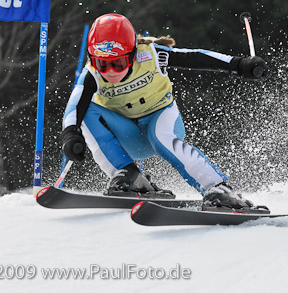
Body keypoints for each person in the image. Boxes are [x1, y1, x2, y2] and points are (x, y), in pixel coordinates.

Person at [62, 13, 268, 210]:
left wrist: (238, 64)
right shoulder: (92, 73)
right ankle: (130, 176)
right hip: (126, 134)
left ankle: (218, 188)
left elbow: (195, 57)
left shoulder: (152, 54)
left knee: (160, 137)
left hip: (160, 118)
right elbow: (74, 105)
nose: (110, 72)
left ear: (133, 55)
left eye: (118, 63)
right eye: (102, 64)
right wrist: (70, 134)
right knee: (84, 109)